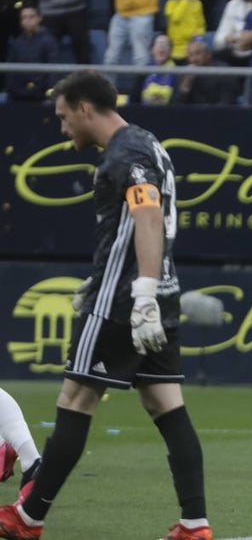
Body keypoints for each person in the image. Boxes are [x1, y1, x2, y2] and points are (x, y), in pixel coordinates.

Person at [0, 70, 212, 540]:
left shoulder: (126, 153)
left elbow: (148, 216)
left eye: (62, 117)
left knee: (75, 399)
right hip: (158, 294)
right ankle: (195, 523)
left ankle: (28, 516)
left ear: (84, 108)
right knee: (166, 405)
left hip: (123, 301)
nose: (62, 129)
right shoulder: (147, 142)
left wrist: (139, 295)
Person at [5, 6, 56, 103]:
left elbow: (52, 72)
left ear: (39, 18)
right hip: (17, 95)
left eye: (31, 17)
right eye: (24, 18)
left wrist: (49, 95)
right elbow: (10, 70)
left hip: (40, 96)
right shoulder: (16, 42)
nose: (27, 21)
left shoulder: (49, 41)